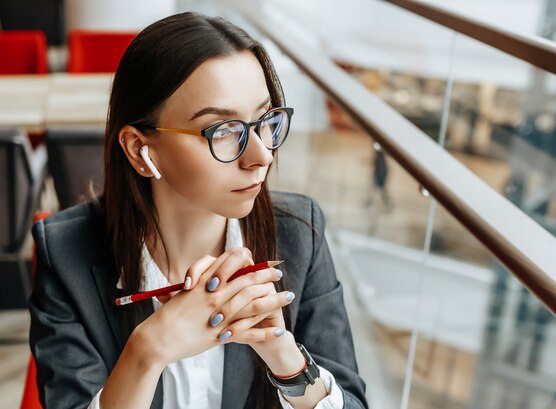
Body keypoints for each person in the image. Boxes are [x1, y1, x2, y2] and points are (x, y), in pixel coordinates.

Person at [29, 12, 367, 409]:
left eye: (265, 121)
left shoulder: (299, 232)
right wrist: (147, 351)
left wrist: (287, 362)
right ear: (141, 149)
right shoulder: (66, 251)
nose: (261, 156)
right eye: (223, 131)